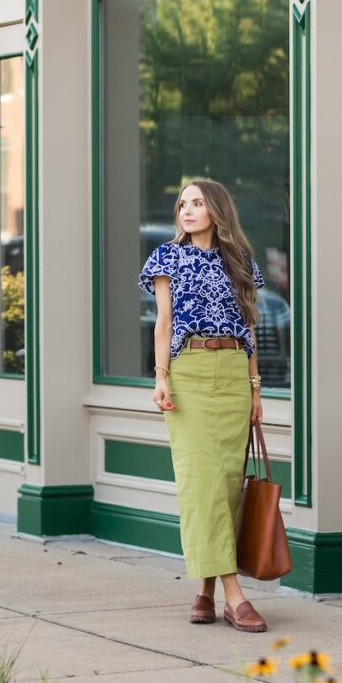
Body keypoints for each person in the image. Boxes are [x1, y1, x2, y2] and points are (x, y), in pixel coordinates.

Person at [138, 178, 267, 633]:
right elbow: (163, 324)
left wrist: (255, 390)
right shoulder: (167, 257)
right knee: (200, 484)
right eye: (182, 204)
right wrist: (161, 377)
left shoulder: (240, 261)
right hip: (188, 371)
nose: (187, 211)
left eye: (197, 203)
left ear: (216, 210)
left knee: (228, 485)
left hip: (233, 372)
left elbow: (249, 327)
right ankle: (235, 595)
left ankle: (205, 591)